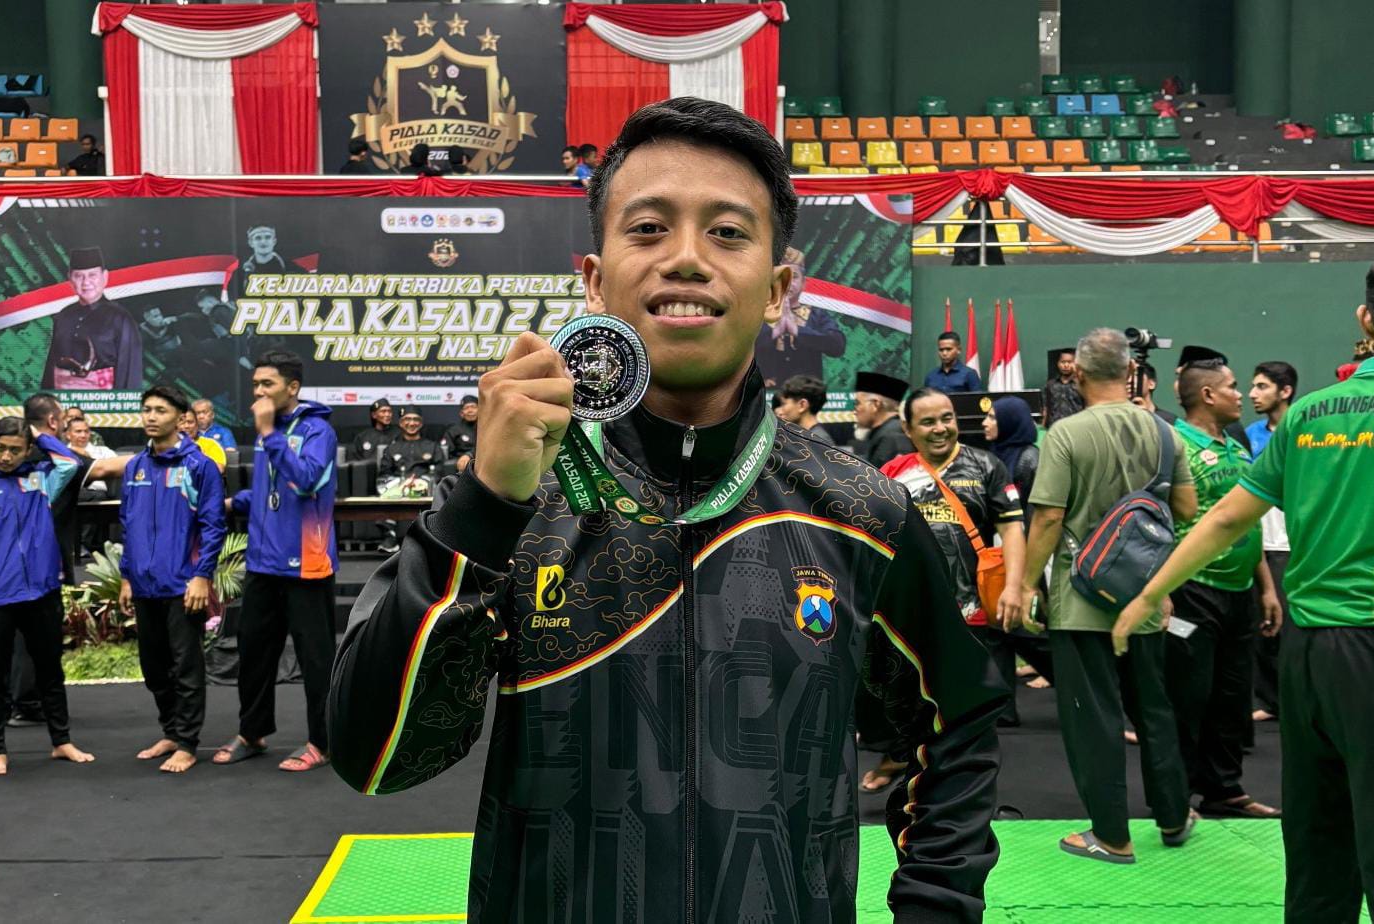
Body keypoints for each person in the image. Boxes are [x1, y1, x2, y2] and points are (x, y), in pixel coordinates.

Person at [328, 97, 1008, 923]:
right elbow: (375, 759)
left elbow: (958, 720)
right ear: (594, 279)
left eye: (727, 232)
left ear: (776, 289)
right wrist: (483, 508)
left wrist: (935, 905)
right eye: (648, 229)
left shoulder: (861, 510)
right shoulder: (515, 505)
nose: (685, 258)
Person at [1116, 248, 1374, 922]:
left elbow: (1225, 517)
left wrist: (1148, 594)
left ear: (1365, 317)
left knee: (1318, 855)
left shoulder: (1309, 414)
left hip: (1309, 660)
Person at [1011, 327, 1197, 863]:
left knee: (1092, 718)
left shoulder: (1065, 434)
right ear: (1131, 371)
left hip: (1081, 598)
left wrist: (1025, 584)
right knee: (1154, 709)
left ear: (1077, 374)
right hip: (1145, 596)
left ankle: (1112, 836)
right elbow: (1186, 509)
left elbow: (1048, 517)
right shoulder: (1166, 433)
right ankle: (1174, 816)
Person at [1165, 360, 1282, 818]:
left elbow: (1246, 521)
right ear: (1208, 395)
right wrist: (1162, 591)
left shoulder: (1236, 446)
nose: (1241, 395)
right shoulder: (1173, 444)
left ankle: (1224, 789)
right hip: (1192, 591)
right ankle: (1176, 796)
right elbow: (1160, 522)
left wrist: (1266, 589)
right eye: (1233, 387)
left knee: (1232, 696)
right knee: (1187, 695)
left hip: (1240, 591)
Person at [214, 350, 338, 774]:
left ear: (293, 387)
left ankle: (322, 742)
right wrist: (236, 502)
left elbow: (306, 481)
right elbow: (272, 490)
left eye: (267, 384)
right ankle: (253, 733)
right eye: (255, 385)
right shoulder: (272, 435)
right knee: (253, 654)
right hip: (263, 562)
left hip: (307, 564)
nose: (259, 393)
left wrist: (268, 433)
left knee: (315, 660)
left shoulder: (318, 431)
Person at [882, 387, 1025, 736]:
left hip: (972, 611)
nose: (940, 428)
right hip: (914, 610)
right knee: (921, 709)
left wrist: (1014, 587)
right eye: (928, 422)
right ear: (908, 428)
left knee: (975, 712)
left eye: (947, 418)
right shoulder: (892, 472)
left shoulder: (987, 466)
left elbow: (1012, 530)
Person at [0, 417, 94, 776]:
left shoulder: (41, 479)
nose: (6, 456)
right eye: (1, 448)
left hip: (41, 591)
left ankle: (61, 741)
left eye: (15, 450)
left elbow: (71, 463)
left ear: (28, 450)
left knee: (50, 670)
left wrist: (37, 433)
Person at [117, 385, 225, 774]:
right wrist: (126, 576)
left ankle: (188, 743)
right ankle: (171, 731)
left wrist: (201, 576)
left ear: (180, 419)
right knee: (153, 667)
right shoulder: (134, 467)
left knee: (186, 667)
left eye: (160, 410)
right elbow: (127, 524)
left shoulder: (200, 466)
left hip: (183, 585)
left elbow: (213, 526)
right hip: (143, 584)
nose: (150, 416)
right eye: (146, 409)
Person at [981, 395, 1055, 716]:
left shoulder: (1028, 460)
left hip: (1026, 556)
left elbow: (1036, 517)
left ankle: (1079, 684)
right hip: (1004, 555)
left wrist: (1028, 573)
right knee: (999, 628)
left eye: (993, 417)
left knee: (1029, 629)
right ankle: (1003, 709)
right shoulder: (998, 457)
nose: (985, 423)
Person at [1245, 360, 1298, 722]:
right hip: (1262, 544)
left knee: (1294, 626)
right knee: (1263, 625)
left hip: (1295, 543)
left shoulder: (1305, 429)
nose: (1252, 394)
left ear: (1285, 391)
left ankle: (1296, 699)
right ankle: (1269, 700)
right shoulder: (1250, 434)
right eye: (1252, 386)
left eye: (1262, 386)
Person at [42, 247, 143, 390]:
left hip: (103, 399)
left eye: (92, 275)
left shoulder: (120, 318)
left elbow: (130, 370)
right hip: (62, 399)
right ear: (70, 279)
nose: (86, 282)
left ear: (105, 277)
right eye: (79, 276)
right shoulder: (63, 316)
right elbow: (51, 367)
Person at [753, 246, 846, 386]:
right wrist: (775, 331)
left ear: (803, 283)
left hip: (806, 395)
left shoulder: (817, 315)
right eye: (782, 276)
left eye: (794, 276)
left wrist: (797, 331)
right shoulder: (756, 314)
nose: (788, 282)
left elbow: (837, 345)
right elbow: (736, 350)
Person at [375, 406, 442, 553]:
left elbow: (438, 471)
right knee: (387, 491)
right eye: (407, 419)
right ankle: (390, 539)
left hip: (424, 488)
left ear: (421, 423)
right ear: (400, 423)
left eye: (415, 419)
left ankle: (428, 541)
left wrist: (418, 483)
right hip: (398, 488)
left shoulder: (432, 446)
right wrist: (403, 484)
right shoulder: (391, 448)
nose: (411, 423)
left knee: (434, 489)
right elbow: (384, 474)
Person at [64, 416, 117, 555]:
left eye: (86, 431)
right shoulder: (61, 452)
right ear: (68, 434)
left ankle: (81, 544)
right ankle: (70, 545)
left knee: (94, 497)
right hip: (68, 492)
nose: (83, 435)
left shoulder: (103, 451)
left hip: (95, 493)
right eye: (78, 431)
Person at [228, 225, 307, 304]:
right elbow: (233, 302)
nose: (263, 242)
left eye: (267, 237)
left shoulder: (292, 269)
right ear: (251, 243)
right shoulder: (240, 274)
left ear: (274, 241)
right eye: (258, 238)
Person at [852, 370, 914, 468]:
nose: (854, 411)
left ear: (875, 405)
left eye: (857, 403)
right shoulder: (887, 431)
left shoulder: (892, 438)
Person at [773, 373, 835, 443]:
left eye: (783, 404)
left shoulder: (818, 441)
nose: (779, 412)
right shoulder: (810, 438)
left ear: (802, 405)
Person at [1042, 347, 1085, 427]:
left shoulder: (1081, 384)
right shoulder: (1050, 385)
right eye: (1063, 362)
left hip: (1076, 426)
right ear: (1058, 364)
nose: (1066, 365)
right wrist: (1044, 425)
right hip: (1055, 427)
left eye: (1069, 362)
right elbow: (1046, 408)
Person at [349, 398, 395, 463]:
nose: (387, 414)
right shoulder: (363, 437)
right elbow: (355, 462)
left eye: (389, 411)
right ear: (374, 415)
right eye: (383, 411)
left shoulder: (398, 435)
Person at [437, 396, 477, 464]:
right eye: (466, 408)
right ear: (461, 413)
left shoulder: (488, 429)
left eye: (473, 407)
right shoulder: (453, 430)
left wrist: (469, 455)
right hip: (460, 464)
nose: (470, 410)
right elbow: (445, 452)